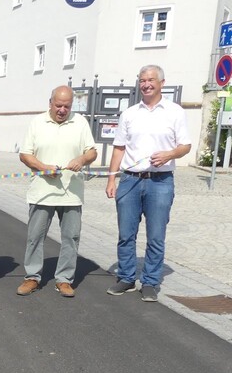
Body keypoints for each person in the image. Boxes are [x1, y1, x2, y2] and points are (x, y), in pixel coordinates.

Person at [106, 65, 191, 302]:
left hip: (160, 182)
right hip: (130, 180)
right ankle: (126, 277)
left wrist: (169, 155)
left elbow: (185, 146)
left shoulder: (174, 112)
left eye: (151, 80)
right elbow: (119, 148)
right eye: (142, 80)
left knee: (155, 235)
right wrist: (112, 178)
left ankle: (151, 282)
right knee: (126, 234)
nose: (146, 84)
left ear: (162, 83)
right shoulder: (130, 113)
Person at [17, 85, 97, 298]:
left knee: (71, 237)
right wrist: (44, 168)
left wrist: (81, 159)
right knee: (35, 236)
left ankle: (64, 279)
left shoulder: (80, 122)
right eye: (58, 105)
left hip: (72, 193)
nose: (62, 110)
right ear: (50, 103)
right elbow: (25, 155)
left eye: (67, 106)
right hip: (42, 192)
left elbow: (92, 152)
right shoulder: (37, 122)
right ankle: (32, 277)